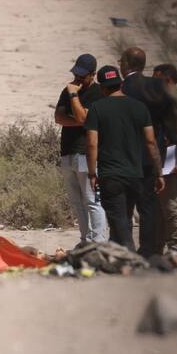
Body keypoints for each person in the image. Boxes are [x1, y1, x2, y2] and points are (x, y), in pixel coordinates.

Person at [85, 65, 165, 250]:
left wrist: (91, 173)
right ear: (121, 84)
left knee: (118, 219)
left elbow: (91, 144)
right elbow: (151, 142)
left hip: (110, 174)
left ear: (102, 87)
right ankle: (121, 256)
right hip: (135, 174)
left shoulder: (97, 108)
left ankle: (128, 256)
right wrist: (158, 172)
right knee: (124, 216)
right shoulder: (139, 107)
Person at [120, 47, 176, 257]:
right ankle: (149, 249)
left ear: (126, 64)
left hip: (124, 153)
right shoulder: (157, 86)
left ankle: (125, 248)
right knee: (148, 206)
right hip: (151, 153)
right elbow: (170, 115)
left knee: (125, 206)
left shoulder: (120, 87)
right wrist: (170, 136)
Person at [54, 53, 108, 245]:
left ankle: (98, 241)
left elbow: (84, 119)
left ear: (92, 74)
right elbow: (59, 117)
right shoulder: (68, 90)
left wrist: (74, 96)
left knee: (92, 200)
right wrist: (77, 118)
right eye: (76, 74)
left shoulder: (97, 93)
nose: (78, 78)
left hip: (86, 153)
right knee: (77, 202)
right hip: (68, 151)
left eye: (82, 75)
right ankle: (86, 240)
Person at [152, 63, 177, 255]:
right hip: (170, 155)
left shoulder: (176, 101)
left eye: (156, 80)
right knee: (165, 203)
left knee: (173, 202)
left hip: (174, 156)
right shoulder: (172, 99)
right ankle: (168, 244)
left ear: (167, 80)